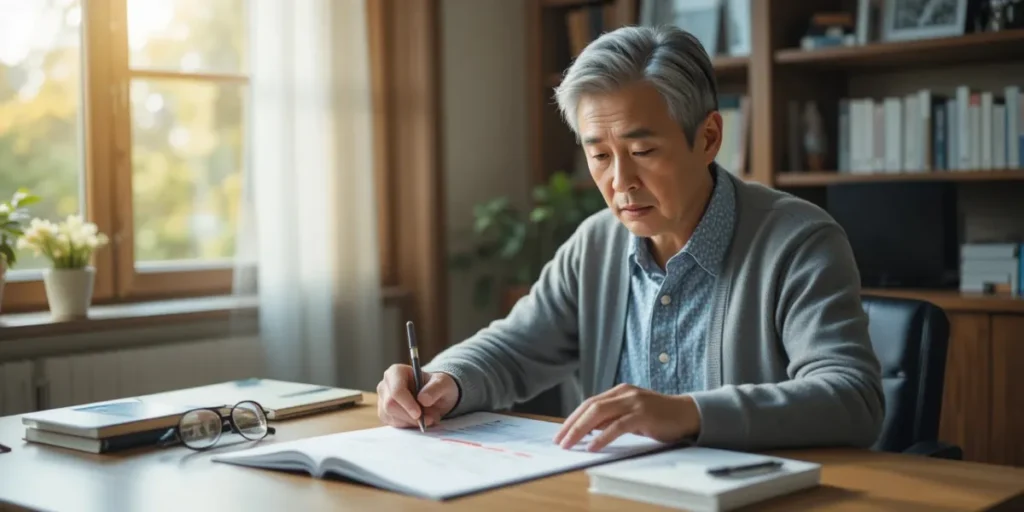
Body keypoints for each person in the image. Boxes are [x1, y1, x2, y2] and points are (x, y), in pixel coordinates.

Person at [376, 25, 885, 453]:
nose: (620, 182)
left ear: (708, 137)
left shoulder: (798, 241)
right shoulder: (596, 243)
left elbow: (852, 399)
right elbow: (514, 349)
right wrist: (443, 380)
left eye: (642, 150)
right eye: (599, 156)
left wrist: (687, 414)